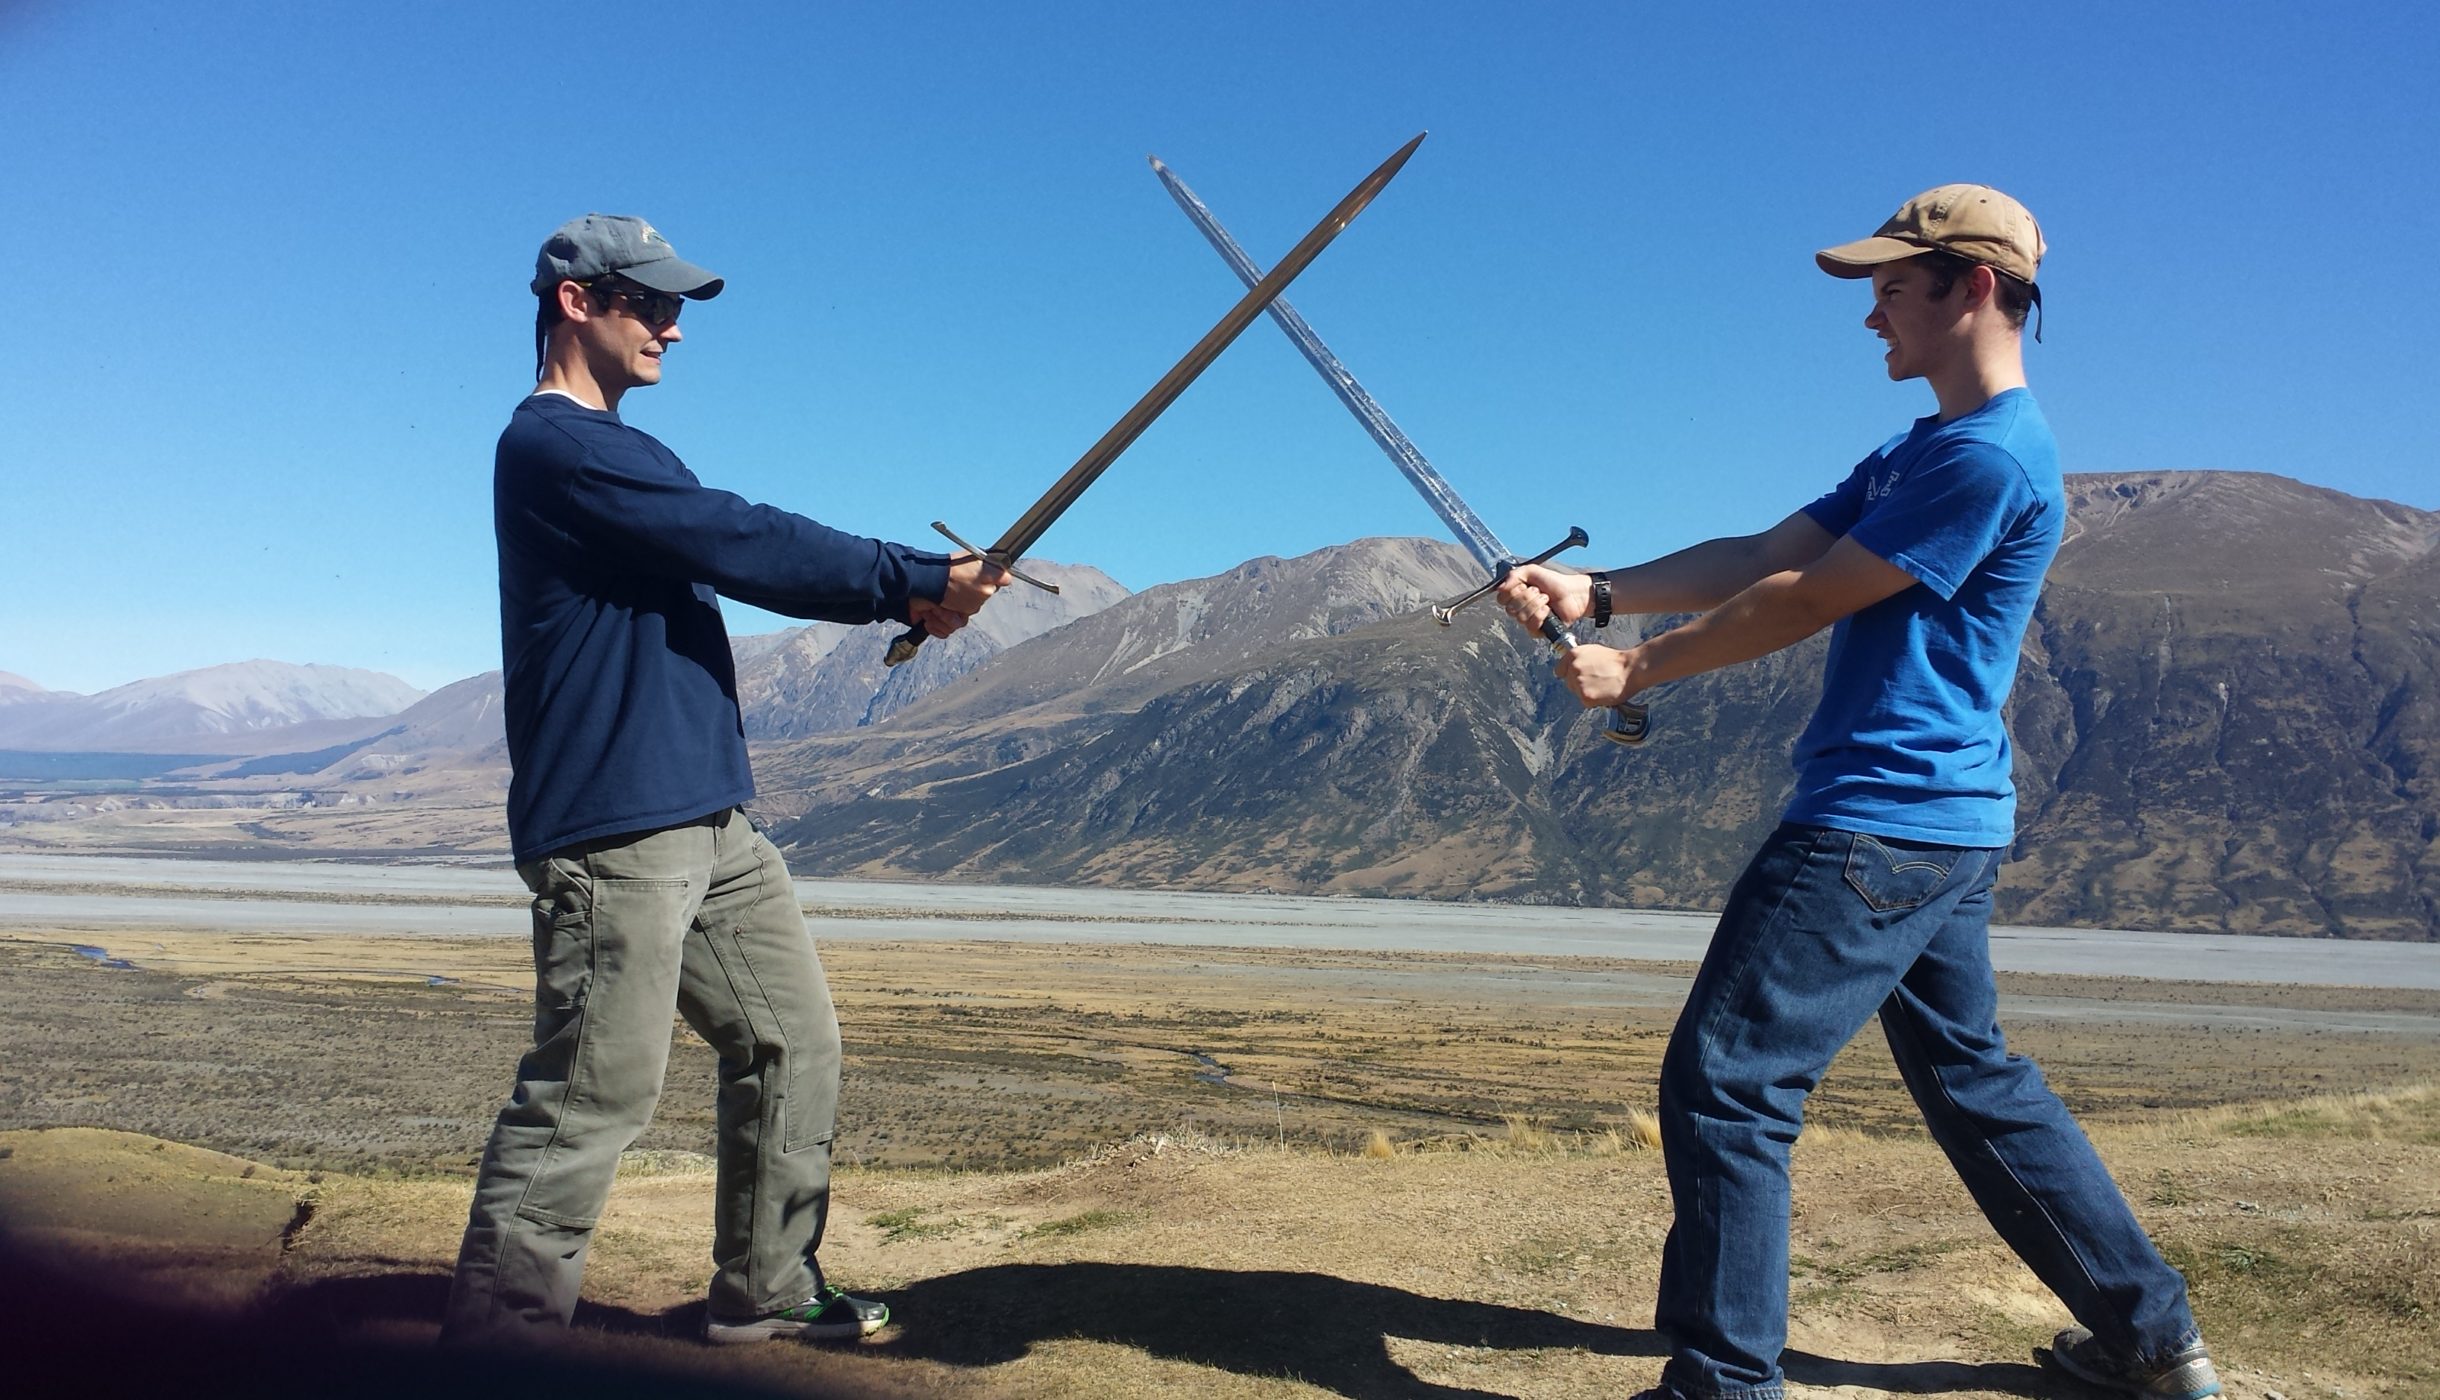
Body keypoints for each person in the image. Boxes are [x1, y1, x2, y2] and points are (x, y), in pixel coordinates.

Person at [1496, 186, 2219, 1400]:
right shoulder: (1922, 448)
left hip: (1875, 819)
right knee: (1974, 1076)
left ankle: (1723, 1383)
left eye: (1892, 285)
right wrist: (1598, 593)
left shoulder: (1986, 458)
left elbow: (1809, 597)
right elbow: (1762, 554)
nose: (1870, 312)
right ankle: (2150, 1339)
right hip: (1939, 822)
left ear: (1972, 287)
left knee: (1728, 1079)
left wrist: (1638, 666)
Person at [443, 213, 1006, 1347]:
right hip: (616, 830)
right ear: (574, 302)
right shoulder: (554, 446)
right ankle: (497, 1346)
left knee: (792, 1040)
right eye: (649, 303)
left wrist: (906, 595)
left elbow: (728, 542)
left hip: (711, 821)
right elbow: (738, 538)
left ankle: (766, 1283)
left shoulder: (627, 450)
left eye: (676, 307)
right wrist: (907, 578)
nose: (671, 328)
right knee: (590, 1093)